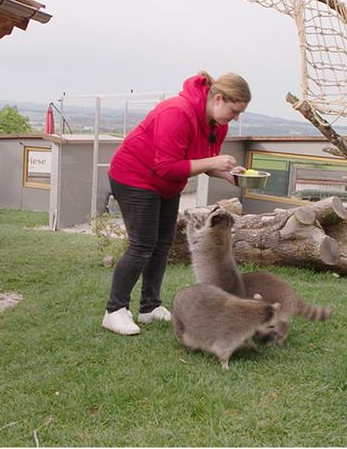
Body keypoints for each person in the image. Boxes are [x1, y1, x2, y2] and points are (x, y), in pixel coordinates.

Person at [101, 71, 251, 335]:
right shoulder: (177, 112)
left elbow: (199, 160)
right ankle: (114, 311)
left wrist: (225, 173)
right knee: (142, 245)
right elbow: (166, 166)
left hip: (166, 183)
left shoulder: (217, 123)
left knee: (162, 244)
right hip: (134, 176)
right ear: (218, 99)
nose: (235, 117)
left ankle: (149, 307)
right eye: (234, 110)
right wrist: (213, 163)